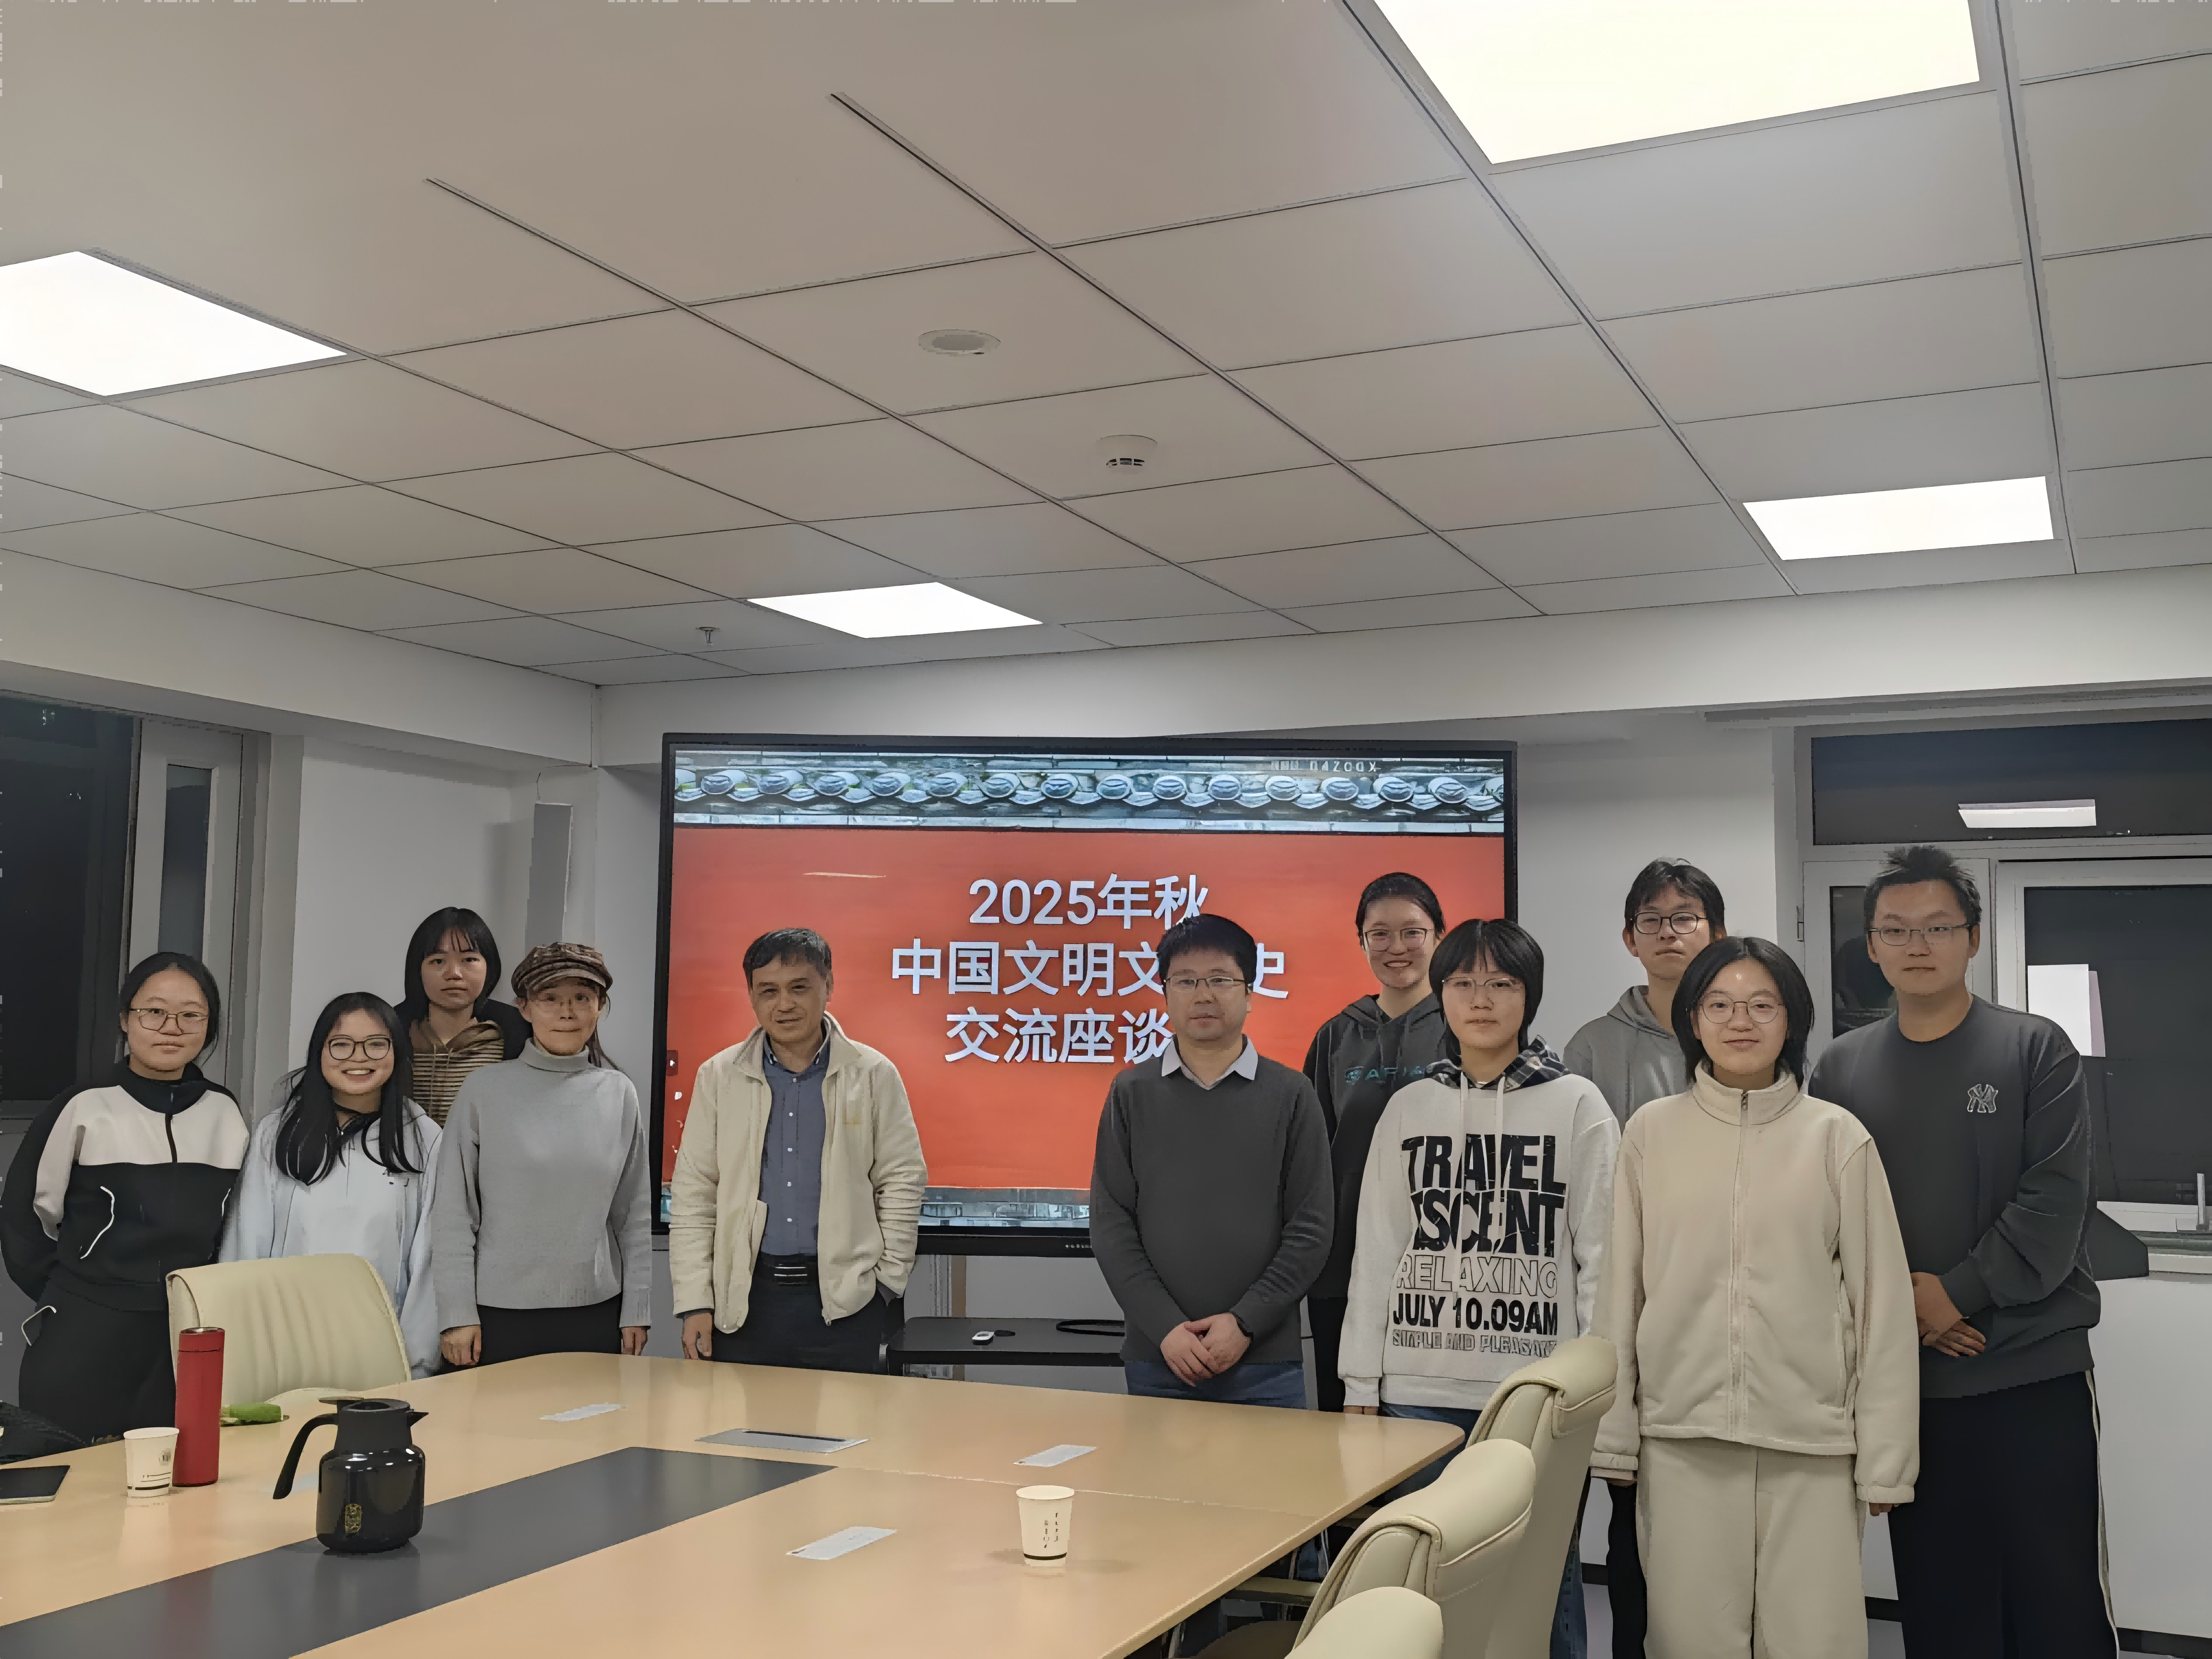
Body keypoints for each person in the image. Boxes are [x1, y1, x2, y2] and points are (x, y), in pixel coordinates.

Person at [1807, 847, 2114, 1657]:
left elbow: (2054, 1202)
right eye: (1895, 929)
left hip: (2031, 1371)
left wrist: (1950, 1295)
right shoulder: (1840, 1069)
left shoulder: (2034, 1049)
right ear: (1871, 946)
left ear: (1973, 938)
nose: (1917, 945)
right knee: (1943, 1599)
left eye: (1938, 927)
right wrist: (1907, 1314)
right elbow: (1822, 1218)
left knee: (2056, 1594)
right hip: (1911, 1384)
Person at [1595, 937, 1919, 1659]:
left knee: (1815, 1642)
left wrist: (1887, 1457)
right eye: (1719, 1005)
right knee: (1687, 1641)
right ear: (1693, 1020)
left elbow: (1883, 1307)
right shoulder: (1651, 1133)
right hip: (1682, 1440)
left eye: (1761, 1005)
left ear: (1791, 1019)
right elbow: (1621, 1289)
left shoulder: (1836, 1138)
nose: (1740, 1021)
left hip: (1811, 1444)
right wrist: (1614, 1432)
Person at [1341, 918, 1618, 1659]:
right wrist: (1361, 1383)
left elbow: (1602, 1259)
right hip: (1416, 1391)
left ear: (1530, 996)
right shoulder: (1410, 1108)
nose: (1482, 999)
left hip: (1534, 1399)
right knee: (1419, 1581)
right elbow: (1378, 1250)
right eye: (1463, 983)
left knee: (1542, 1579)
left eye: (1502, 983)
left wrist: (1592, 1394)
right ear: (1442, 995)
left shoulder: (1578, 1105)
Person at [1561, 858, 1726, 1656]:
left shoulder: (1740, 1032)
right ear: (1630, 939)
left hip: (1721, 1309)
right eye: (1652, 920)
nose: (1669, 932)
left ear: (1715, 932)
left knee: (1716, 1520)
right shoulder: (1592, 1046)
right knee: (1630, 1515)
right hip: (1627, 1313)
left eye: (1685, 917)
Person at [1, 952, 248, 1439]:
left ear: (209, 1026)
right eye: (154, 1012)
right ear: (125, 1019)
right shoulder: (84, 1106)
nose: (171, 1028)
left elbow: (234, 1222)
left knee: (171, 1472)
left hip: (183, 1329)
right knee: (68, 1468)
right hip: (86, 1325)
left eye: (191, 1015)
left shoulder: (224, 1112)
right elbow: (24, 1219)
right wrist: (72, 1294)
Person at [1092, 912, 1332, 1406]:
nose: (1203, 995)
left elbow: (1311, 1229)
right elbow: (1112, 1225)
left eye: (1221, 980)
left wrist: (1246, 1323)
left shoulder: (1292, 1094)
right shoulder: (1130, 1093)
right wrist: (1165, 1328)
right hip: (1159, 1358)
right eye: (1185, 981)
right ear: (1165, 994)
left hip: (1265, 1362)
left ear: (1250, 992)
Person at [671, 928, 927, 1373]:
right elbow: (695, 1193)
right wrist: (696, 1302)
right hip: (744, 1303)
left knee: (845, 1419)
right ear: (752, 997)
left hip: (845, 1305)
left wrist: (886, 1283)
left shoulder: (872, 1074)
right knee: (739, 1420)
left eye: (799, 988)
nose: (784, 1004)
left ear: (828, 985)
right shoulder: (719, 1076)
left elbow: (902, 1179)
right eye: (768, 991)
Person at [433, 943, 650, 1367]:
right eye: (550, 998)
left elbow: (633, 1214)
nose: (567, 1012)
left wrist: (637, 1309)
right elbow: (453, 1214)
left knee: (594, 1413)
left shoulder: (618, 1093)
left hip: (597, 1312)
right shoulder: (484, 1090)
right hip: (496, 1316)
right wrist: (456, 1314)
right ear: (525, 1008)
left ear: (600, 1007)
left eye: (582, 998)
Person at [221, 992, 441, 1377]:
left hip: (381, 1348)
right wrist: (241, 1344)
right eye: (341, 1045)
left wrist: (418, 1363)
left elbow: (428, 1259)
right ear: (319, 1053)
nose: (359, 1058)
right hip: (286, 1342)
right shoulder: (278, 1132)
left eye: (376, 1044)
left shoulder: (422, 1138)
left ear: (397, 1051)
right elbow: (247, 1241)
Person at [1302, 873, 1453, 1414]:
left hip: (1443, 1261)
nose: (1396, 948)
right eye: (1379, 934)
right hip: (1343, 1266)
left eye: (1412, 932)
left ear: (1439, 937)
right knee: (1347, 1425)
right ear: (1361, 941)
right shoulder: (1335, 1036)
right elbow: (1311, 1158)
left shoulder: (1465, 1028)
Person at [397, 907, 529, 1127]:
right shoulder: (389, 1034)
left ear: (490, 968)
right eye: (438, 961)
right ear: (417, 970)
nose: (454, 974)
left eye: (469, 959)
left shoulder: (520, 1036)